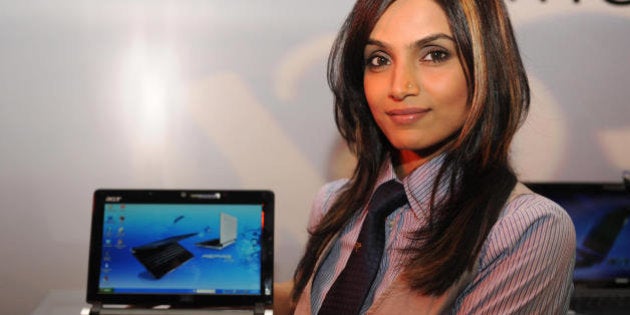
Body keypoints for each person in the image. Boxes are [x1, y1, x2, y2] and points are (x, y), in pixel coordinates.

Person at [274, 0, 576, 314]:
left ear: (487, 66)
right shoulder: (333, 203)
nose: (400, 86)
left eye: (435, 54)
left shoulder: (524, 228)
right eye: (379, 59)